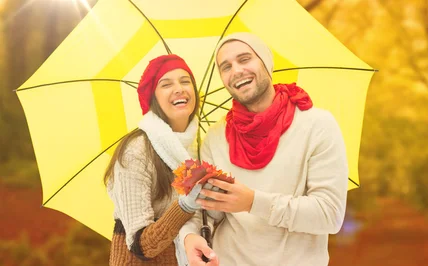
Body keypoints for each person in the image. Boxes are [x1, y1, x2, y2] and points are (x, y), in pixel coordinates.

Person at [181, 32, 349, 266]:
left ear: (266, 63)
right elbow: (204, 210)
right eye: (226, 67)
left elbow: (329, 215)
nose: (236, 70)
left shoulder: (317, 125)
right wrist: (189, 236)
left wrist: (253, 202)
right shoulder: (215, 137)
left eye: (245, 59)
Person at [103, 54, 218, 266]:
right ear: (153, 98)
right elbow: (141, 245)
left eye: (185, 81)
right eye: (166, 84)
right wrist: (185, 205)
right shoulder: (136, 150)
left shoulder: (202, 146)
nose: (179, 89)